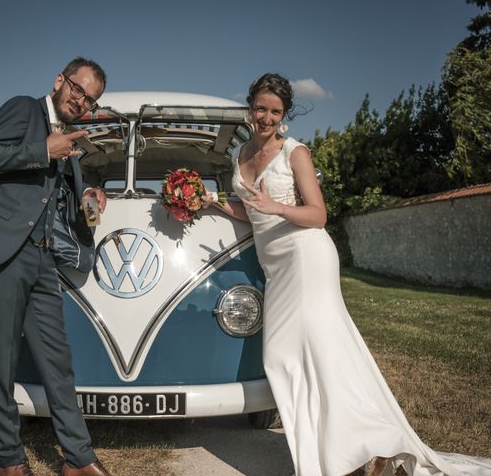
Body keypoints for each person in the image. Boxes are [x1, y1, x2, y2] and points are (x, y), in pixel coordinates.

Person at [205, 73, 491, 476]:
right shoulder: (240, 156)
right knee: (297, 356)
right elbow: (252, 211)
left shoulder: (295, 153)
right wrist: (214, 202)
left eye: (275, 111)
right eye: (261, 108)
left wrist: (279, 208)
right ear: (250, 106)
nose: (266, 117)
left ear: (284, 115)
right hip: (276, 264)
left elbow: (318, 215)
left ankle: (362, 446)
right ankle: (348, 448)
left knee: (296, 353)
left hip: (306, 256)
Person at [0, 57, 112, 476]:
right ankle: (9, 460)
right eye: (77, 90)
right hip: (3, 253)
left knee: (57, 360)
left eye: (90, 100)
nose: (81, 101)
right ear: (59, 81)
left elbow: (59, 199)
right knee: (2, 362)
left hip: (44, 258)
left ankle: (78, 459)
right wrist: (43, 150)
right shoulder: (24, 108)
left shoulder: (71, 141)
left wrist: (90, 196)